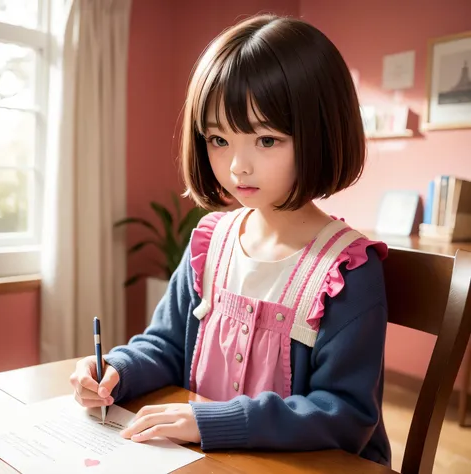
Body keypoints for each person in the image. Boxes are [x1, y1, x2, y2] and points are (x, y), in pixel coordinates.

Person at [70, 13, 391, 466]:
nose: (238, 165)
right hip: (210, 460)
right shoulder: (211, 241)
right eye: (219, 139)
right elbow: (165, 346)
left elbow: (344, 415)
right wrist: (115, 371)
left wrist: (208, 421)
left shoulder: (346, 271)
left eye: (265, 140)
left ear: (321, 133)